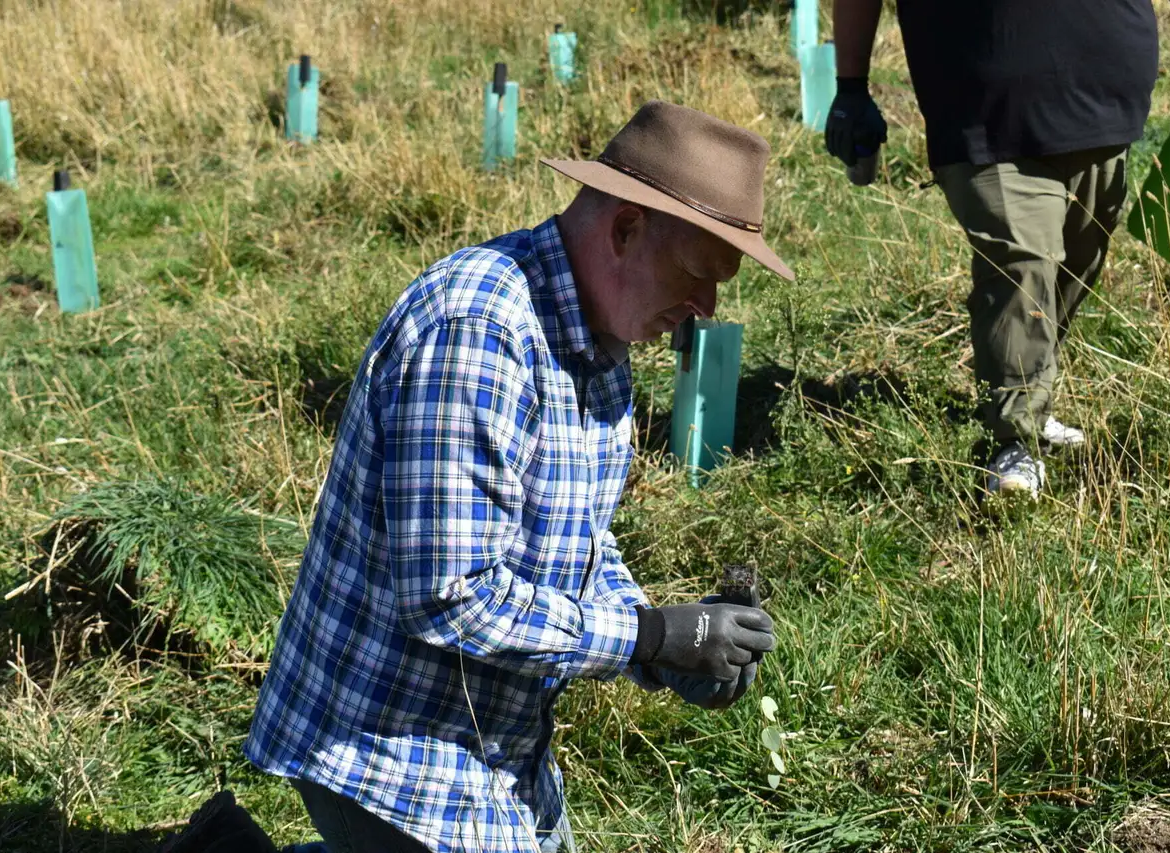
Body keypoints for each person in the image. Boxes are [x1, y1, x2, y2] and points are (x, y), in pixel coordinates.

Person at [202, 101, 789, 853]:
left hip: (495, 744)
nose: (706, 308)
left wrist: (677, 651)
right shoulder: (479, 333)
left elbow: (578, 544)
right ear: (625, 228)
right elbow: (453, 596)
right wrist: (649, 635)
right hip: (385, 750)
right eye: (698, 274)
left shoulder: (600, 347)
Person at [824, 0, 1170, 503]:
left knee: (1077, 260)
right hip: (980, 113)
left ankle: (1030, 394)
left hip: (1105, 108)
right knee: (1022, 265)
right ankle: (1016, 438)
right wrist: (850, 86)